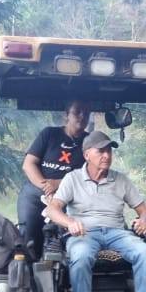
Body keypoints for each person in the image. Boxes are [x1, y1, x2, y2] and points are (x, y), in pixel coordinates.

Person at [45, 130, 146, 292]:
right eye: (101, 151)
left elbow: (144, 211)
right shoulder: (72, 179)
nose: (106, 155)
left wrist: (143, 221)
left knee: (144, 252)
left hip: (117, 232)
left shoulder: (121, 180)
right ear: (87, 154)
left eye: (109, 150)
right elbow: (54, 210)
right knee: (80, 256)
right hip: (84, 233)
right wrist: (70, 222)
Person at [18, 99, 90, 256]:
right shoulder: (49, 134)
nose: (82, 116)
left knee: (70, 237)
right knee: (27, 236)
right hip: (37, 191)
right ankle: (28, 270)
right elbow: (29, 164)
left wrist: (58, 184)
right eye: (77, 111)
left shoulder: (89, 142)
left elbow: (91, 173)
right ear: (66, 116)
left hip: (71, 194)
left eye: (86, 113)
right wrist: (46, 188)